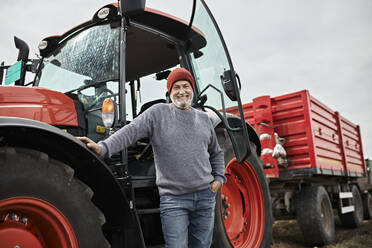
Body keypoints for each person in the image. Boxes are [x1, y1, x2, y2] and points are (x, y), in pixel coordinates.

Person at [78, 67, 226, 248]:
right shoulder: (158, 114)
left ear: (192, 89)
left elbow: (216, 152)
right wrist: (103, 148)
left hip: (205, 197)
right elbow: (130, 132)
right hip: (174, 200)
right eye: (176, 87)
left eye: (186, 86)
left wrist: (218, 179)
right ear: (169, 91)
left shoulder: (204, 119)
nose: (182, 91)